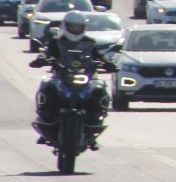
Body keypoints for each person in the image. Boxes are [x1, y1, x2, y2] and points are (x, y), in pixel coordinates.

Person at [29, 12, 114, 148]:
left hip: (85, 77)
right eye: (72, 27)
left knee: (99, 92)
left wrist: (108, 62)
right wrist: (41, 58)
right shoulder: (56, 41)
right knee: (48, 88)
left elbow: (99, 54)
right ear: (65, 26)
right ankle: (46, 124)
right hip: (62, 76)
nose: (75, 30)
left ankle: (92, 131)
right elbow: (46, 51)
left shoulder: (89, 42)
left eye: (78, 27)